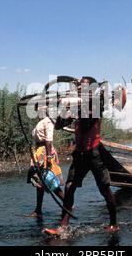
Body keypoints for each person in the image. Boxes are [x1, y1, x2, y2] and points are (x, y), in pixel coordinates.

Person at [44, 77, 119, 235]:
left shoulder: (96, 103)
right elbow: (58, 125)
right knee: (70, 187)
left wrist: (72, 107)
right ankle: (62, 227)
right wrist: (64, 110)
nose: (78, 89)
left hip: (95, 153)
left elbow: (87, 123)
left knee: (104, 189)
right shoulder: (77, 106)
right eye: (78, 87)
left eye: (82, 87)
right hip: (80, 155)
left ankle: (114, 223)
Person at [27, 109, 64, 218]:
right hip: (39, 152)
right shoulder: (42, 122)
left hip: (44, 153)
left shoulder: (48, 122)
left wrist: (48, 157)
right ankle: (38, 210)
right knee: (40, 182)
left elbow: (48, 140)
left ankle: (67, 204)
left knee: (50, 180)